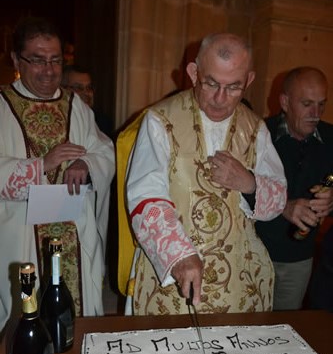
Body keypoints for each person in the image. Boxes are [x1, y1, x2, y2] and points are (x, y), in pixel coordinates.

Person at [125, 32, 287, 315]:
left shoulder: (256, 129)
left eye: (234, 87)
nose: (220, 98)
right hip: (173, 274)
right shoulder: (161, 120)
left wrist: (249, 183)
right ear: (193, 72)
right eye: (211, 83)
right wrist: (179, 254)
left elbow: (278, 198)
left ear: (249, 80)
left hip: (239, 278)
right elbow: (145, 196)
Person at [0, 17, 115, 332]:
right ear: (16, 60)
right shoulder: (1, 104)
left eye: (55, 61)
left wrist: (86, 164)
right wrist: (42, 165)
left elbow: (104, 150)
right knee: (26, 324)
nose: (49, 70)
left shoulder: (76, 104)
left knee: (74, 326)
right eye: (37, 60)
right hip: (19, 236)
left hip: (73, 231)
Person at [255, 67, 333, 311]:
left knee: (285, 331)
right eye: (307, 104)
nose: (316, 114)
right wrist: (283, 206)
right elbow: (238, 193)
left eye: (322, 104)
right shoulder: (257, 135)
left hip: (299, 261)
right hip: (255, 255)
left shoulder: (332, 138)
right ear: (285, 102)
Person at [61, 64, 113, 137]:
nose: (86, 93)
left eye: (89, 87)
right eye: (78, 87)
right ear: (63, 90)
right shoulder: (57, 120)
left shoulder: (103, 122)